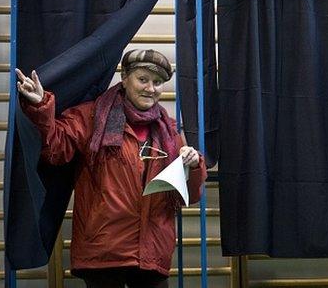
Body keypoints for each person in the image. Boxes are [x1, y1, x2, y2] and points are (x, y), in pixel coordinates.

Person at [16, 49, 208, 288]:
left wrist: (194, 165)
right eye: (143, 79)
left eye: (158, 82)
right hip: (103, 251)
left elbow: (187, 195)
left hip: (152, 251)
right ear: (124, 78)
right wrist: (41, 105)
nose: (151, 88)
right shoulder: (92, 116)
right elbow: (56, 148)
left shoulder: (169, 131)